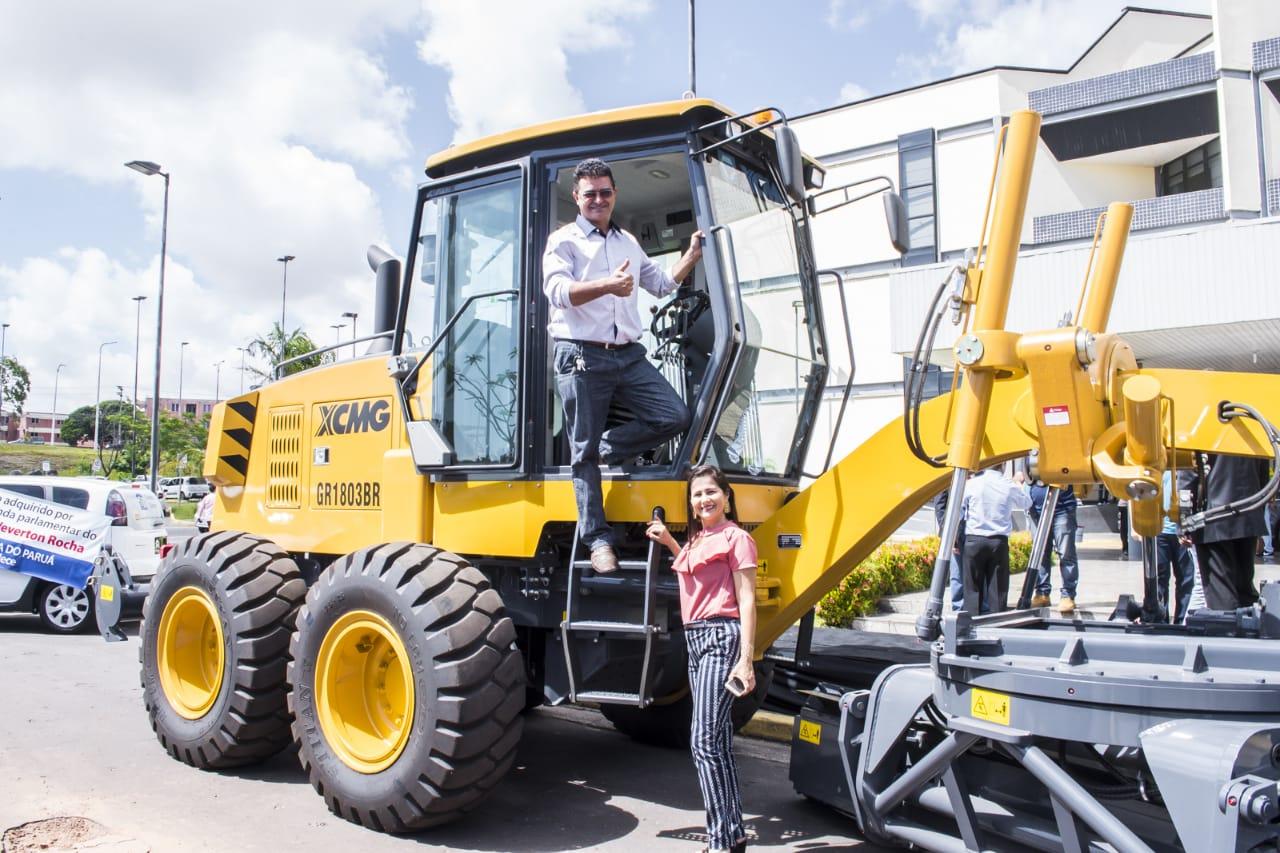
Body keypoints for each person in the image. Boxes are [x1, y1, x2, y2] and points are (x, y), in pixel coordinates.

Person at [544, 157, 703, 574]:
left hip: (627, 354)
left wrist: (690, 256)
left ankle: (600, 450)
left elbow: (662, 284)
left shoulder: (628, 241)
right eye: (589, 193)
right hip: (581, 352)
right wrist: (607, 286)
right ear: (577, 197)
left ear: (615, 195)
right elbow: (558, 292)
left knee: (673, 415)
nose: (598, 199)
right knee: (583, 454)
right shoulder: (564, 241)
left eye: (605, 192)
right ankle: (598, 540)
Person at [646, 465, 756, 853]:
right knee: (718, 741)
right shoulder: (695, 542)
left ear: (726, 496)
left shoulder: (736, 538)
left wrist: (746, 659)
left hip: (721, 638)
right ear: (691, 505)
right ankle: (735, 832)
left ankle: (720, 841)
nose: (704, 499)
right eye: (697, 495)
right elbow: (690, 577)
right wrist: (670, 544)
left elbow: (746, 599)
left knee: (703, 742)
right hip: (695, 640)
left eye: (711, 492)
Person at [1188, 454, 1268, 610]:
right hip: (1248, 513)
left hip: (1212, 516)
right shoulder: (1256, 430)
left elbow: (1189, 469)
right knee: (1243, 586)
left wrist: (1183, 519)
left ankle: (1227, 630)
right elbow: (1264, 474)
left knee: (1220, 591)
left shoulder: (1201, 429)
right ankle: (1249, 626)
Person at [961, 467, 1030, 614]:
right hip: (998, 541)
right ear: (1003, 465)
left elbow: (959, 509)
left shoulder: (972, 483)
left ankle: (971, 625)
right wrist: (1018, 483)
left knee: (972, 589)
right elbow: (1026, 503)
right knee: (998, 590)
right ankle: (997, 625)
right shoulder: (1008, 484)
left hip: (974, 539)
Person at [1026, 482, 1079, 613]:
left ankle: (1068, 595)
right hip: (1037, 509)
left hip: (1062, 508)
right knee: (1040, 553)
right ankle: (1042, 592)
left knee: (1066, 553)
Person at [1156, 469, 1196, 623]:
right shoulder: (1158, 463)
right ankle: (1161, 618)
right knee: (1160, 578)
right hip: (1160, 530)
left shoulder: (1188, 467)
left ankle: (1181, 619)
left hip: (1183, 531)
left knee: (1186, 579)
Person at [933, 488, 965, 610]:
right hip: (954, 530)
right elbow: (940, 506)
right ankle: (958, 607)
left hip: (972, 530)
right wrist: (949, 533)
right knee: (957, 572)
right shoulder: (947, 480)